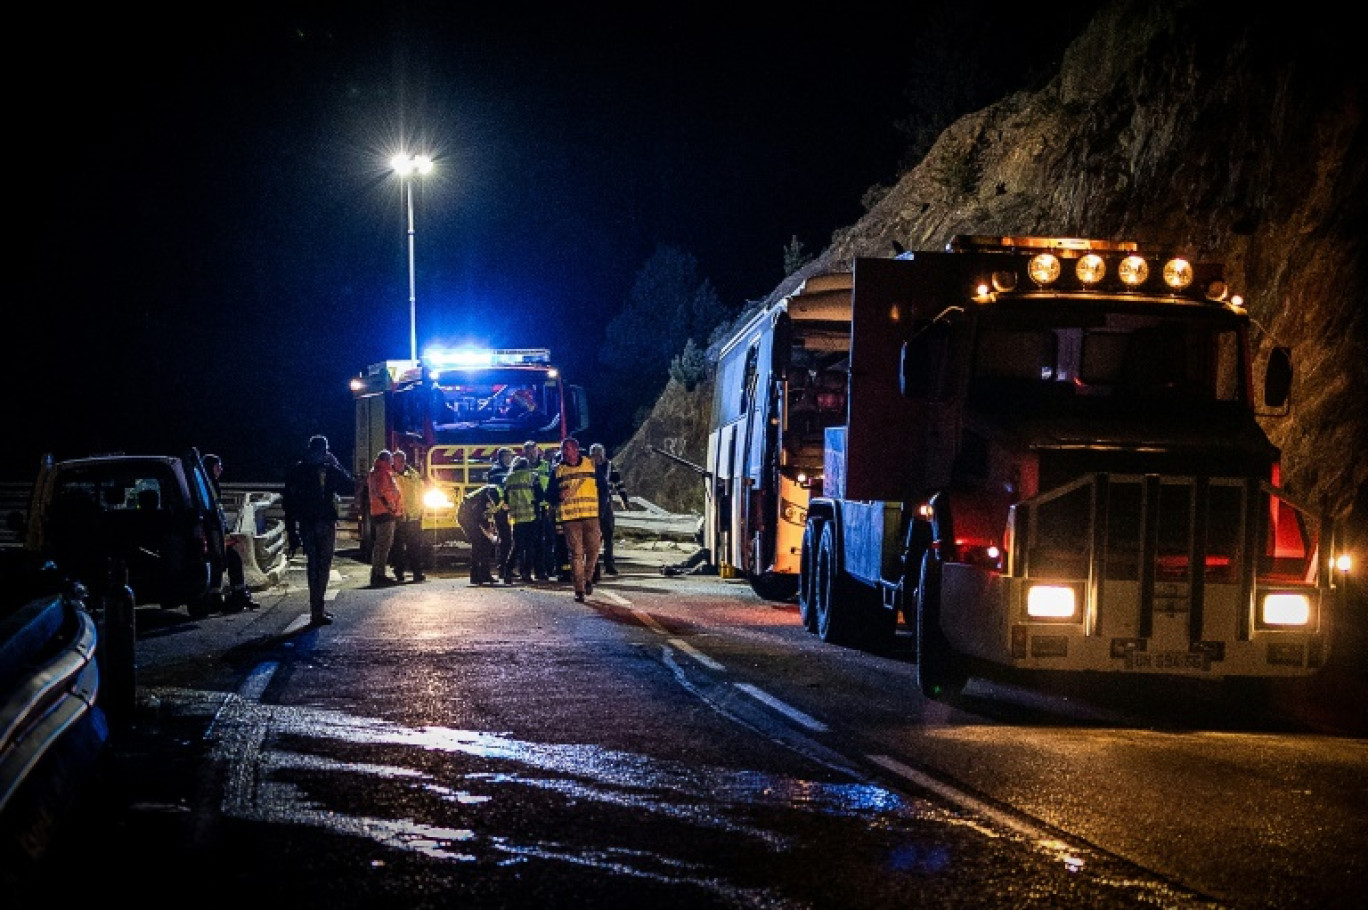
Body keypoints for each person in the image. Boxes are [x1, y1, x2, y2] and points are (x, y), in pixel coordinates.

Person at [283, 434, 354, 625]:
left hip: (307, 524)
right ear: (324, 450)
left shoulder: (297, 470)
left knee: (313, 565)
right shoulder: (328, 468)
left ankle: (316, 609)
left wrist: (292, 532)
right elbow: (350, 485)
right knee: (323, 566)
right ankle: (318, 610)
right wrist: (337, 464)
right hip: (325, 523)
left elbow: (288, 504)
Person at [546, 437, 600, 602]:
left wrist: (602, 514)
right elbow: (548, 495)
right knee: (576, 554)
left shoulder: (591, 465)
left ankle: (588, 578)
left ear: (576, 450)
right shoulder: (557, 471)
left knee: (593, 551)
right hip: (571, 519)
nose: (565, 452)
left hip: (591, 517)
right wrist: (557, 495)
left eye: (568, 449)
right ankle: (580, 590)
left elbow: (603, 490)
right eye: (563, 449)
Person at [202, 453, 258, 611]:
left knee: (219, 563)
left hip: (213, 533)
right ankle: (238, 595)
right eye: (218, 466)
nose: (221, 469)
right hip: (212, 534)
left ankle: (215, 597)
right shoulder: (210, 486)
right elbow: (214, 514)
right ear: (212, 468)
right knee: (231, 559)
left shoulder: (206, 485)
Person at [589, 443, 630, 579]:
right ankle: (593, 566)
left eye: (599, 454)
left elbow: (619, 484)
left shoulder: (609, 466)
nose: (597, 457)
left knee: (608, 535)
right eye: (594, 454)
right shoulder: (587, 466)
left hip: (605, 505)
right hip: (591, 506)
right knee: (593, 538)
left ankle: (609, 564)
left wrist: (625, 500)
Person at [502, 455, 543, 582]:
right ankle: (526, 574)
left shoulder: (509, 479)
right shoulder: (532, 476)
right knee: (529, 546)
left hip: (516, 517)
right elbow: (540, 496)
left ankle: (507, 572)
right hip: (531, 516)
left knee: (516, 546)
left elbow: (506, 499)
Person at [366, 450, 404, 587]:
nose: (393, 463)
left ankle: (377, 573)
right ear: (387, 460)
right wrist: (391, 508)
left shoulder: (377, 471)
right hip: (385, 513)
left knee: (380, 545)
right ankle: (379, 575)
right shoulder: (382, 473)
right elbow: (382, 493)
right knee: (383, 545)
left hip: (380, 512)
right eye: (391, 460)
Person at [389, 449, 426, 583]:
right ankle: (399, 572)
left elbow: (421, 492)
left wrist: (421, 510)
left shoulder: (414, 475)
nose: (401, 463)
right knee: (398, 547)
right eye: (398, 461)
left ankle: (417, 572)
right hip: (399, 516)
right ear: (393, 461)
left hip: (413, 516)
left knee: (415, 546)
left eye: (403, 460)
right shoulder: (390, 475)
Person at [458, 483, 503, 585]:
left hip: (474, 516)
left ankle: (485, 574)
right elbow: (478, 520)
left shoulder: (495, 494)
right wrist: (489, 534)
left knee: (486, 545)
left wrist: (492, 531)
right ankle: (475, 576)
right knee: (478, 544)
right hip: (466, 516)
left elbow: (489, 516)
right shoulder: (482, 501)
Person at [522, 440, 554, 581]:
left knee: (543, 541)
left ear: (538, 451)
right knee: (527, 542)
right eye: (528, 451)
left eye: (534, 451)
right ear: (525, 453)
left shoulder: (547, 466)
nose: (531, 454)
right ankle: (526, 571)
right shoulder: (521, 467)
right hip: (526, 508)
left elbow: (552, 485)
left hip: (543, 508)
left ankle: (541, 571)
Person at [487, 447, 515, 582]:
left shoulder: (508, 470)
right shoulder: (496, 471)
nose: (508, 459)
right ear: (500, 458)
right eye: (506, 456)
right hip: (501, 509)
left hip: (509, 508)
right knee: (505, 539)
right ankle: (502, 568)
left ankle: (506, 568)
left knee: (509, 540)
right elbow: (496, 490)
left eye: (510, 456)